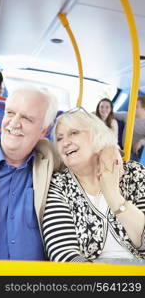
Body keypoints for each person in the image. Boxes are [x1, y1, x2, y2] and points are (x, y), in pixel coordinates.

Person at [0, 86, 60, 260]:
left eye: (27, 118)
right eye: (10, 113)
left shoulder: (53, 160)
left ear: (44, 130)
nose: (14, 123)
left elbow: (95, 157)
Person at [42, 107, 145, 263]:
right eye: (59, 138)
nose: (65, 143)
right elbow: (63, 252)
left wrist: (113, 195)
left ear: (97, 135)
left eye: (74, 133)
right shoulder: (59, 184)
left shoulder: (134, 173)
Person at [114, 96, 145, 160]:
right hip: (122, 150)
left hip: (137, 154)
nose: (132, 108)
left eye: (136, 106)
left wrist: (141, 142)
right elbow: (110, 113)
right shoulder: (127, 115)